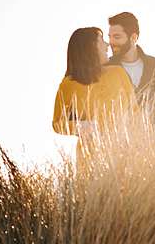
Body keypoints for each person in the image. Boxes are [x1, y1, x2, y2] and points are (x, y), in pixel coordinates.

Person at [51, 25, 137, 165]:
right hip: (89, 160)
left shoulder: (118, 73)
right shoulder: (68, 84)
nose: (107, 44)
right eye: (101, 40)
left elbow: (134, 112)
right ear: (90, 48)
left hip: (124, 156)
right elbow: (57, 123)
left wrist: (140, 145)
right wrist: (86, 126)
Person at [106, 11, 155, 162]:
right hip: (116, 158)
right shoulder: (106, 69)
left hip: (154, 154)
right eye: (109, 37)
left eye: (117, 37)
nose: (111, 42)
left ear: (133, 37)